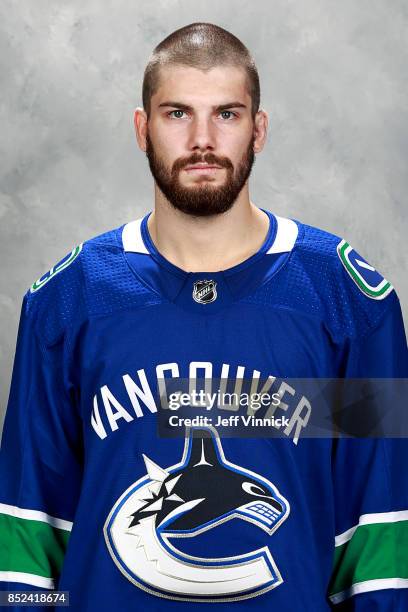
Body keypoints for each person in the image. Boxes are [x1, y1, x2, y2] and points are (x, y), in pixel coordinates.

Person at [0, 22, 407, 611]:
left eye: (226, 114)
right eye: (176, 114)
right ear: (143, 129)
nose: (202, 139)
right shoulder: (69, 300)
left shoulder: (347, 303)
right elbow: (28, 532)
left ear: (258, 129)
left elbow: (380, 534)